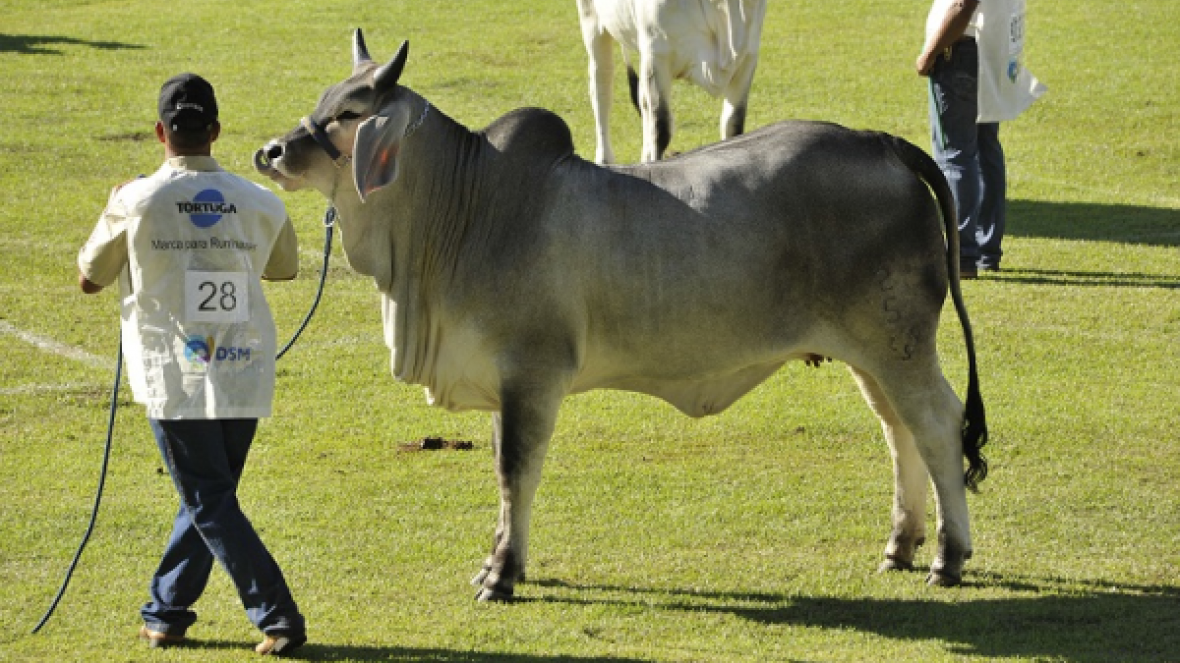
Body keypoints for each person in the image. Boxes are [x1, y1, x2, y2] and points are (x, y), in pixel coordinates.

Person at [77, 73, 307, 656]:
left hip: (174, 371)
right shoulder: (261, 200)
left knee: (207, 497)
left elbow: (88, 279)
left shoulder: (135, 199)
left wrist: (117, 206)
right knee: (211, 494)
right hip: (241, 365)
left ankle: (278, 615)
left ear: (160, 131)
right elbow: (283, 270)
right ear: (216, 131)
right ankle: (166, 612)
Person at [917, 0, 1046, 278]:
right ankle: (987, 250)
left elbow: (962, 6)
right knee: (987, 152)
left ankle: (962, 255)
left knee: (955, 156)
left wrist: (929, 53)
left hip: (961, 51)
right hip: (994, 51)